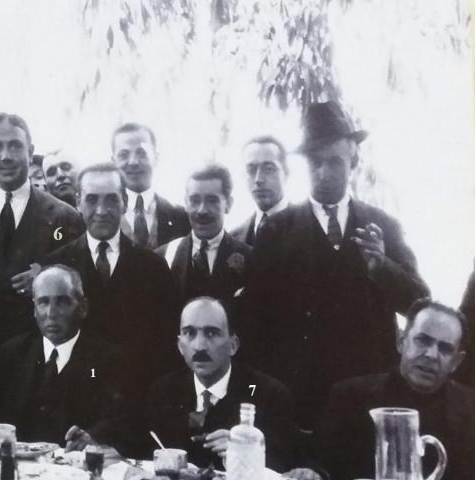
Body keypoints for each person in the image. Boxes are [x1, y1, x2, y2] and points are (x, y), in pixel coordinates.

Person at [240, 101, 429, 428]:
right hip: (298, 403)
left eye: (335, 162)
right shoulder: (276, 230)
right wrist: (260, 397)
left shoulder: (384, 225)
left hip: (367, 401)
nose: (324, 173)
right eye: (315, 162)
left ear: (353, 159)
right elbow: (253, 324)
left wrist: (382, 268)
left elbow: (420, 304)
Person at [0, 113, 85, 364]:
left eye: (15, 146)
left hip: (38, 363)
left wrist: (44, 276)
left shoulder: (65, 218)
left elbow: (78, 286)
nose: (5, 156)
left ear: (30, 152)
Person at [315, 300, 475, 480]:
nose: (431, 354)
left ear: (456, 362)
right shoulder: (351, 397)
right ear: (401, 341)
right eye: (422, 341)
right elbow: (320, 471)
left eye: (444, 349)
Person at [0, 265, 128, 450]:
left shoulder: (107, 360)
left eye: (62, 302)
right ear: (34, 309)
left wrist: (93, 437)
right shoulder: (13, 353)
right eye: (43, 302)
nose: (51, 313)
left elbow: (121, 419)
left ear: (83, 308)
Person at [47, 163, 179, 396]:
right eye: (91, 200)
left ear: (125, 202)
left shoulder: (154, 268)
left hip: (137, 395)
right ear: (78, 202)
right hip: (74, 396)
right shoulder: (58, 265)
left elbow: (166, 345)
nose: (101, 210)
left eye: (111, 199)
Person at [146, 297, 296, 471]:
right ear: (180, 345)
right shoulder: (164, 391)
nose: (199, 346)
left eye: (211, 333)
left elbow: (285, 468)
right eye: (189, 333)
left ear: (233, 345)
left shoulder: (268, 395)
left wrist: (247, 455)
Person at [158, 164, 252, 309]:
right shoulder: (162, 258)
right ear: (186, 203)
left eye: (212, 200)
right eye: (195, 200)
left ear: (228, 204)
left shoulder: (250, 259)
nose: (202, 210)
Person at [111, 122, 190, 250]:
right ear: (113, 162)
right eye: (123, 155)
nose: (133, 162)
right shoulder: (98, 215)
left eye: (142, 153)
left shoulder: (181, 217)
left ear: (156, 158)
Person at [230, 135, 290, 246]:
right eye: (251, 170)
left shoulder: (310, 226)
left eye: (268, 169)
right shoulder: (233, 240)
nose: (258, 179)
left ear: (286, 173)